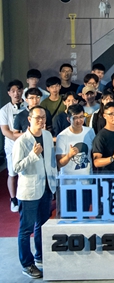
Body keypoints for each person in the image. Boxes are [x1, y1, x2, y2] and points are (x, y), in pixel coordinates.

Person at [12, 106, 57, 279]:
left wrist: (53, 180)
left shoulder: (47, 136)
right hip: (29, 192)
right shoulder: (22, 141)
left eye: (43, 117)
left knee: (42, 225)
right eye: (37, 117)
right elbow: (16, 167)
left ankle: (40, 256)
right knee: (26, 229)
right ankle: (27, 264)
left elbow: (50, 160)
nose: (41, 120)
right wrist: (33, 155)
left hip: (46, 187)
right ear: (29, 119)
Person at [55, 104, 96, 213]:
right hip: (69, 184)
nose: (79, 120)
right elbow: (59, 164)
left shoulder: (90, 131)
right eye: (75, 118)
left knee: (85, 214)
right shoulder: (62, 136)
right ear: (69, 119)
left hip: (86, 181)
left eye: (81, 117)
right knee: (70, 215)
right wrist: (69, 155)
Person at [1, 79, 28, 212]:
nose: (16, 93)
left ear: (22, 91)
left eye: (18, 90)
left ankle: (26, 198)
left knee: (27, 172)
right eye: (13, 91)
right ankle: (13, 199)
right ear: (9, 93)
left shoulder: (28, 106)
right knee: (12, 173)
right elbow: (5, 131)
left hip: (28, 144)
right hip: (12, 145)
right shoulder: (4, 110)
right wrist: (18, 140)